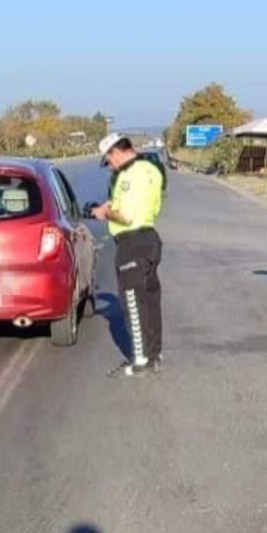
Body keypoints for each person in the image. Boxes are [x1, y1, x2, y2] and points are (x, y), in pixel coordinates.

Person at [92, 133, 165, 378]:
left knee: (132, 303)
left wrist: (104, 212)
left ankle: (141, 360)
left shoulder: (129, 176)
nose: (109, 166)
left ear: (116, 152)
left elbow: (126, 216)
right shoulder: (151, 169)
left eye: (108, 161)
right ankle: (153, 354)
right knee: (150, 302)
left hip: (132, 242)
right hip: (150, 238)